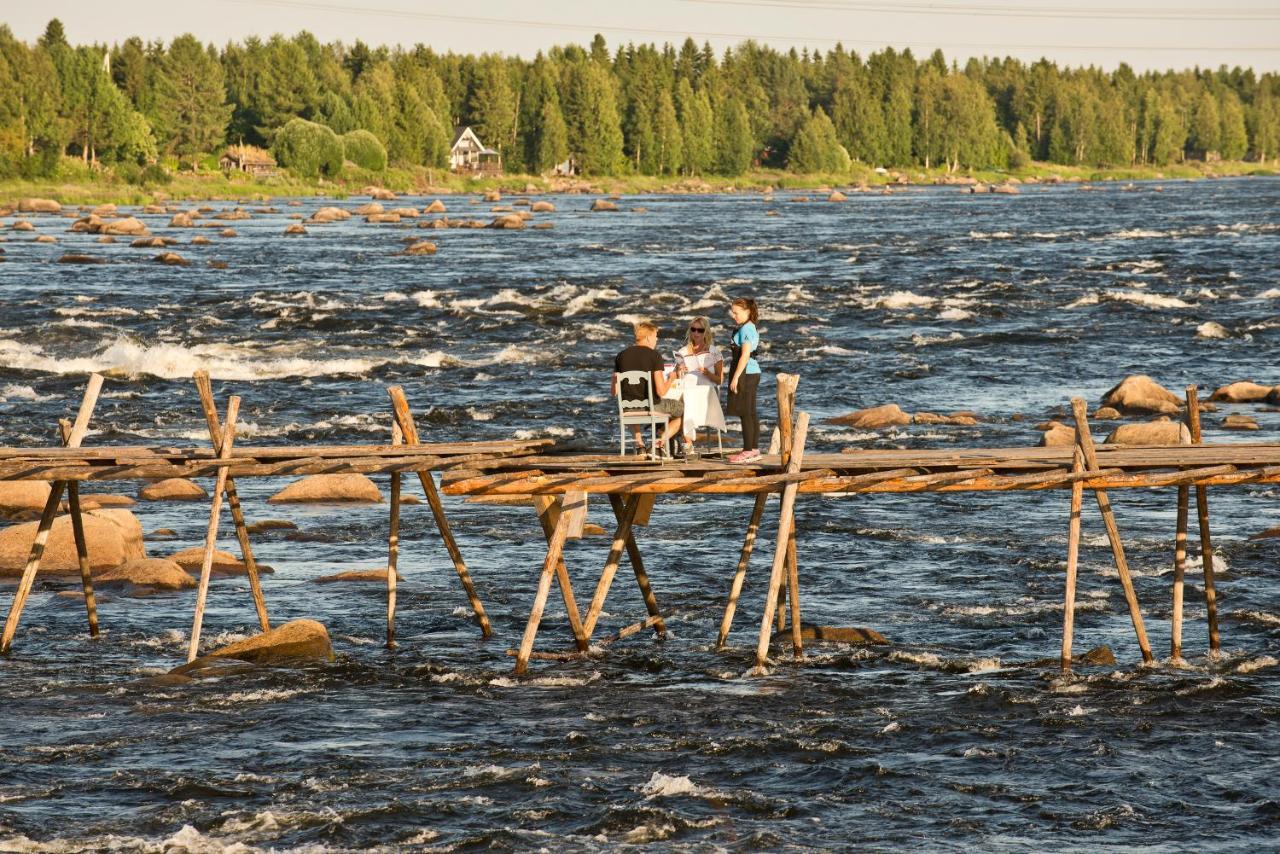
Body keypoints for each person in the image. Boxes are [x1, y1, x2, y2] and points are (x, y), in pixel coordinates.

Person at [612, 321, 684, 457]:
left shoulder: (620, 356)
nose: (657, 339)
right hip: (652, 407)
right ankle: (658, 443)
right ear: (648, 337)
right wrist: (671, 378)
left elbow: (614, 391)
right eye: (656, 336)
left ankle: (640, 445)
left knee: (631, 408)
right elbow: (661, 392)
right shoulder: (654, 356)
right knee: (686, 411)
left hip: (627, 409)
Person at [673, 315, 726, 455]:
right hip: (686, 386)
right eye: (693, 329)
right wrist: (679, 370)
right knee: (676, 397)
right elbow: (676, 376)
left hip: (705, 389)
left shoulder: (714, 352)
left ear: (706, 332)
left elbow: (720, 380)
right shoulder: (683, 351)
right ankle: (683, 440)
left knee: (687, 397)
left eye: (700, 330)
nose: (696, 333)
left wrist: (707, 373)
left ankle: (685, 441)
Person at [725, 297, 762, 463]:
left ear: (748, 311)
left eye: (736, 312)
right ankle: (753, 448)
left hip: (746, 373)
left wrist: (735, 377)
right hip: (752, 373)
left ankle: (748, 450)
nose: (734, 316)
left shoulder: (747, 329)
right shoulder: (750, 327)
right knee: (751, 411)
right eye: (733, 313)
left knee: (745, 412)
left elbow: (745, 354)